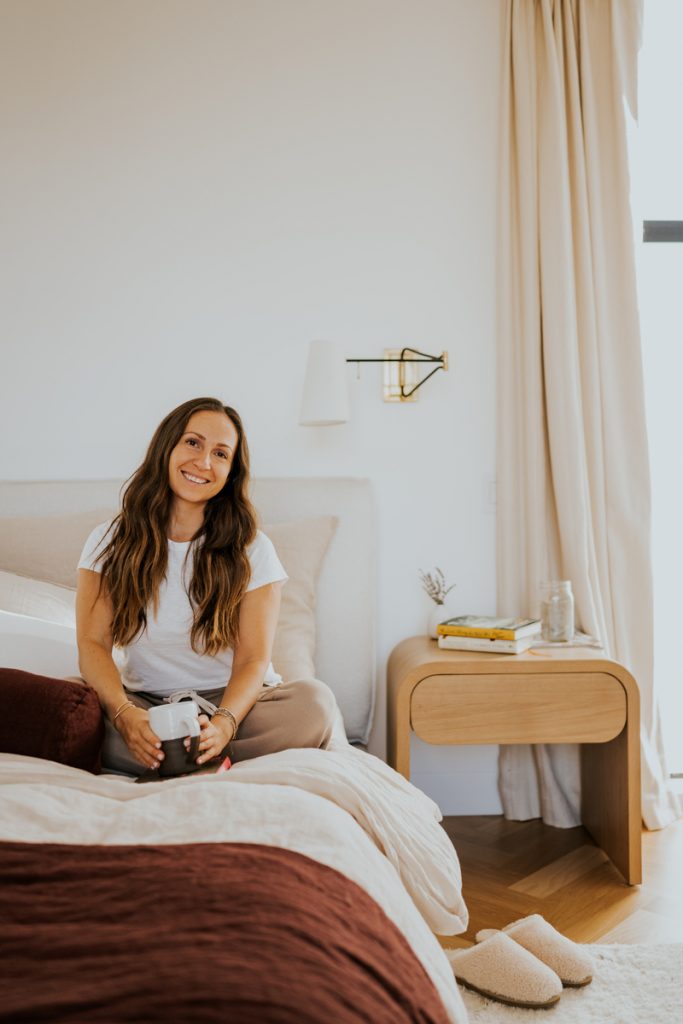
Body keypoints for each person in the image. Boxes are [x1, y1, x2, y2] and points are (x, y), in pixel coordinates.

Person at [76, 396, 337, 775]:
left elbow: (252, 659)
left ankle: (187, 756)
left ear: (230, 472)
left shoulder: (253, 548)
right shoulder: (108, 542)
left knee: (315, 704)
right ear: (167, 446)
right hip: (144, 705)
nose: (203, 462)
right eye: (193, 443)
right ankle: (182, 755)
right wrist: (125, 715)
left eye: (220, 453)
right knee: (68, 706)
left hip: (233, 706)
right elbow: (92, 643)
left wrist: (223, 724)